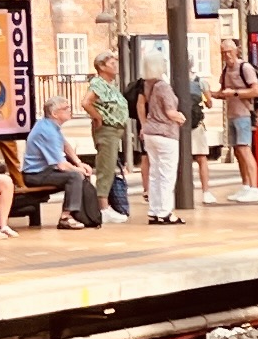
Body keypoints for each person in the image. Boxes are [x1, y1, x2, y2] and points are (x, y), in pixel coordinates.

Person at [19, 107, 89, 227]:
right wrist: (79, 170)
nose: (70, 110)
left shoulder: (50, 126)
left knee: (78, 174)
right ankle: (65, 217)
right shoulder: (47, 131)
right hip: (35, 175)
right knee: (74, 177)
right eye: (65, 108)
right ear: (54, 113)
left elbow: (65, 144)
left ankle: (82, 215)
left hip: (45, 171)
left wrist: (79, 162)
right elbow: (62, 165)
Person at [136, 59, 186, 222]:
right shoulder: (163, 86)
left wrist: (144, 125)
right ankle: (165, 212)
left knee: (155, 173)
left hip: (150, 133)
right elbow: (170, 112)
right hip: (165, 133)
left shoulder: (147, 85)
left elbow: (141, 105)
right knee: (167, 174)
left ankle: (154, 210)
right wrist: (181, 117)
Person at [87, 55, 135, 218]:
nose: (116, 66)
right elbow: (86, 102)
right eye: (112, 63)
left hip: (114, 132)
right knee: (105, 168)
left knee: (109, 167)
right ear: (102, 66)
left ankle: (106, 205)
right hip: (107, 131)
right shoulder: (98, 83)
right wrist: (98, 117)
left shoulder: (110, 85)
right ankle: (103, 207)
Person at [216, 39, 258, 200]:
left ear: (236, 51)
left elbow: (256, 91)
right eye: (224, 53)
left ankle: (254, 188)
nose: (227, 55)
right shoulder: (225, 70)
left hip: (244, 114)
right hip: (232, 114)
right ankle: (246, 186)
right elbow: (223, 92)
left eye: (229, 51)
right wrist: (209, 93)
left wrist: (235, 93)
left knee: (244, 149)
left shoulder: (245, 68)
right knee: (237, 151)